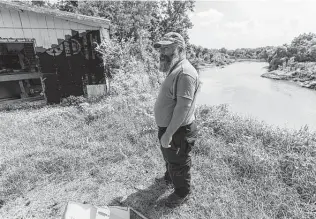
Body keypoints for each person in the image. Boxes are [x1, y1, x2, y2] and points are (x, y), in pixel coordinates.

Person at [153, 32, 200, 207]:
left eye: (167, 48)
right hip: (169, 128)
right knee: (170, 157)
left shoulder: (185, 72)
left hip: (178, 130)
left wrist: (169, 134)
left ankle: (182, 193)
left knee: (179, 162)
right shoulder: (175, 68)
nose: (162, 52)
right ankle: (169, 178)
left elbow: (183, 107)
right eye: (161, 48)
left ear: (180, 49)